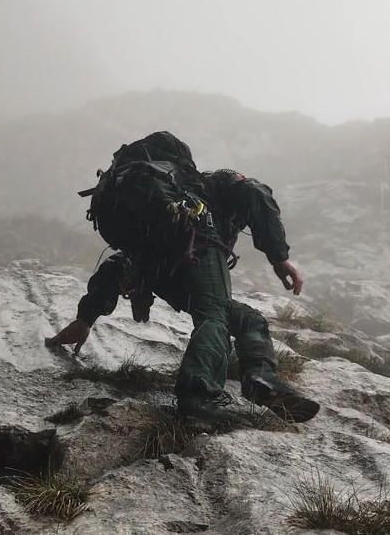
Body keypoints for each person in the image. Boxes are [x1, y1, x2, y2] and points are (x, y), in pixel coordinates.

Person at [47, 132, 319, 422]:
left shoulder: (154, 214)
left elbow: (116, 265)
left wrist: (84, 319)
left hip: (155, 266)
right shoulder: (213, 186)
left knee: (248, 319)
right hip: (193, 248)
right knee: (215, 314)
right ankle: (197, 397)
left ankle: (261, 378)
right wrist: (279, 259)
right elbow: (255, 192)